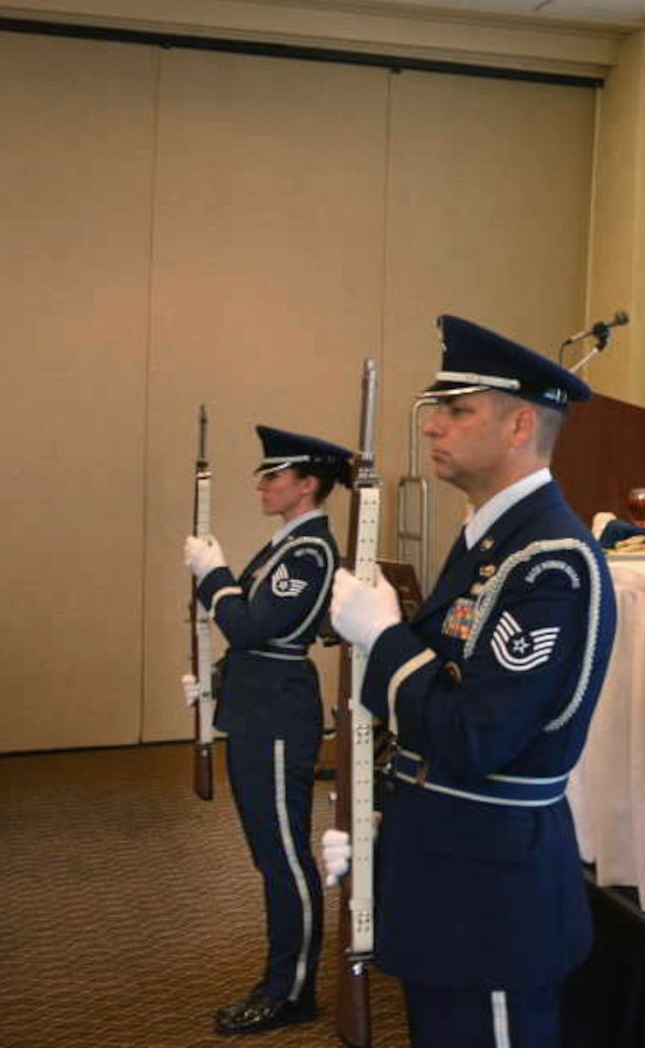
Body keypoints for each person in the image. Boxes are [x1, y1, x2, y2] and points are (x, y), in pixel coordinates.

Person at [322, 315, 615, 1047]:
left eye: (458, 409)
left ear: (520, 424)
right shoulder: (488, 539)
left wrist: (384, 637)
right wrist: (377, 829)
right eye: (436, 409)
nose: (433, 427)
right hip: (446, 862)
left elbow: (473, 733)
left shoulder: (550, 561)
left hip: (493, 890)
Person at [182, 425, 350, 1036]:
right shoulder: (285, 543)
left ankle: (291, 989)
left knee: (284, 859)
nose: (263, 483)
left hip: (279, 715)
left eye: (274, 476)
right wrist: (214, 683)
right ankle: (283, 978)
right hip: (256, 707)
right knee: (268, 854)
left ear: (308, 485)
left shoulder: (309, 553)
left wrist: (214, 573)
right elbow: (252, 641)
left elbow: (252, 627)